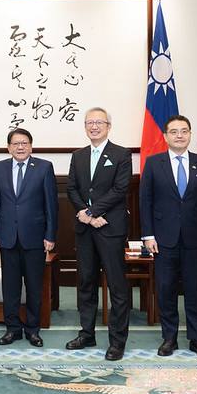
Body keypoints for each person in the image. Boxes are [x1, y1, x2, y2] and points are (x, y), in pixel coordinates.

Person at [139, 115, 197, 360]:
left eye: (184, 131)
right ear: (165, 136)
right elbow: (146, 202)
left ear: (190, 134)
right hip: (163, 240)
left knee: (195, 290)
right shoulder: (153, 163)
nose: (179, 135)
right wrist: (148, 235)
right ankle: (169, 338)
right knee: (166, 289)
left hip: (195, 240)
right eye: (174, 131)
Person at [66, 107, 132, 361]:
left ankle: (117, 341)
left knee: (117, 286)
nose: (94, 126)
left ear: (108, 125)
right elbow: (72, 188)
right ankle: (87, 333)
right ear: (85, 126)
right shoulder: (78, 155)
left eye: (99, 122)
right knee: (86, 282)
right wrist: (85, 214)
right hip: (85, 229)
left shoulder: (121, 154)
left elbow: (120, 189)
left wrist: (92, 212)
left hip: (110, 228)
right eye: (89, 122)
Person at [0, 128, 58, 348]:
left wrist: (50, 235)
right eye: (16, 143)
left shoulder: (44, 167)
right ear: (8, 147)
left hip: (35, 238)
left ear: (31, 145)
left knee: (33, 286)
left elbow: (51, 205)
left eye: (25, 143)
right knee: (10, 287)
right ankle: (12, 329)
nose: (20, 147)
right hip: (8, 237)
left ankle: (32, 329)